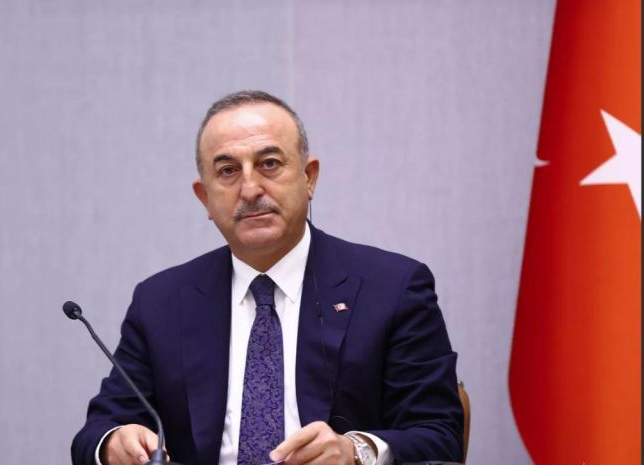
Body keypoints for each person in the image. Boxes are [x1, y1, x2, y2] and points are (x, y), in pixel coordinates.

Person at [71, 90, 463, 465]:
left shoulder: (393, 288)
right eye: (227, 171)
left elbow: (440, 434)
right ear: (205, 198)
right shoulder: (160, 302)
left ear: (309, 178)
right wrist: (114, 444)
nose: (250, 189)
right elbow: (96, 433)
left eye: (270, 164)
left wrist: (354, 452)